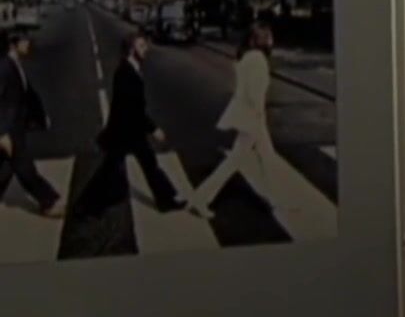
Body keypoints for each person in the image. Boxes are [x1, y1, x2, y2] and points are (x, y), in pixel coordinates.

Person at [78, 32, 184, 216]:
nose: (146, 49)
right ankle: (85, 207)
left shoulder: (131, 69)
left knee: (149, 165)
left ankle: (166, 201)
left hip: (132, 131)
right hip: (124, 132)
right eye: (141, 46)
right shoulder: (125, 73)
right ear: (131, 50)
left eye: (145, 45)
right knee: (110, 170)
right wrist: (154, 129)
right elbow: (133, 109)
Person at [188, 20, 277, 218]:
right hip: (253, 118)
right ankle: (201, 199)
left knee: (268, 158)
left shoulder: (247, 57)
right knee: (234, 162)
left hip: (251, 116)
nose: (272, 40)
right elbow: (255, 95)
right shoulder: (258, 60)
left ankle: (276, 199)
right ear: (261, 40)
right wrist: (259, 118)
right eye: (269, 36)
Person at [0, 27, 64, 218]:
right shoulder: (4, 67)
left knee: (6, 168)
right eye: (24, 40)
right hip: (9, 129)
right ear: (14, 44)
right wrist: (1, 134)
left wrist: (41, 117)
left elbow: (28, 95)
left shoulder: (15, 65)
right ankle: (49, 201)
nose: (29, 43)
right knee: (24, 168)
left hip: (16, 126)